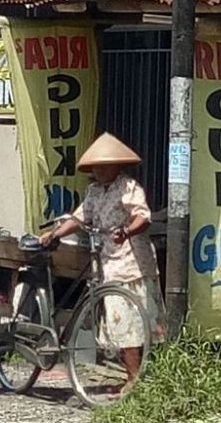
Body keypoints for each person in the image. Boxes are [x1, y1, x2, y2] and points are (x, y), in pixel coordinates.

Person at [40, 132, 165, 389]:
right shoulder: (94, 192)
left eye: (103, 166)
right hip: (107, 261)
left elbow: (142, 216)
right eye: (95, 167)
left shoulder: (128, 187)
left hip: (132, 262)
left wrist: (127, 231)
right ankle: (132, 378)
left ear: (115, 166)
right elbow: (79, 219)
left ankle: (134, 380)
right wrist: (54, 234)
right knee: (119, 324)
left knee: (133, 324)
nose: (98, 171)